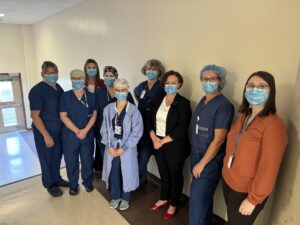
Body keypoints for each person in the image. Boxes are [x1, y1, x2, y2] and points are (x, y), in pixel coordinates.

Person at [222, 71, 288, 225]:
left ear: (271, 92)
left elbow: (269, 166)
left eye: (262, 86)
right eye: (251, 86)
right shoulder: (245, 115)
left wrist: (253, 199)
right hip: (228, 181)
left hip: (246, 192)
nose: (255, 89)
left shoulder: (273, 124)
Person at [189, 64, 234, 225]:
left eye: (212, 78)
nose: (208, 81)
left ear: (220, 81)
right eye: (205, 78)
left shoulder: (224, 105)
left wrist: (202, 163)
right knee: (203, 202)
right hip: (197, 156)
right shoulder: (203, 100)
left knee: (197, 202)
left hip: (209, 161)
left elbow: (219, 140)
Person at [148, 70, 191, 220]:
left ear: (179, 84)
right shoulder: (158, 100)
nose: (170, 85)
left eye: (174, 83)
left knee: (175, 175)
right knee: (164, 173)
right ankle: (164, 197)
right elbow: (149, 120)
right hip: (157, 143)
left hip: (174, 145)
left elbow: (182, 127)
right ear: (164, 84)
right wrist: (154, 138)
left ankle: (173, 203)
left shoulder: (184, 103)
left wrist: (162, 141)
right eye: (168, 83)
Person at [101, 78, 143, 211]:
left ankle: (125, 198)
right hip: (112, 147)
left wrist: (124, 148)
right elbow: (104, 129)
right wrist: (109, 146)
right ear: (114, 90)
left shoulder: (133, 111)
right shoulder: (108, 109)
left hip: (127, 148)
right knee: (114, 171)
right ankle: (115, 196)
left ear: (127, 90)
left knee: (127, 172)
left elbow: (137, 131)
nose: (120, 92)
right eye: (117, 90)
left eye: (123, 90)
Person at [29, 61, 69, 197]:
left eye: (55, 72)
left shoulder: (58, 87)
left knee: (57, 156)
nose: (53, 75)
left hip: (58, 131)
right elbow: (34, 116)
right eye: (49, 73)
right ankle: (49, 184)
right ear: (42, 74)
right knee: (46, 158)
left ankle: (57, 179)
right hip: (44, 131)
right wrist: (46, 135)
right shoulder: (36, 91)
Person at [59, 69, 97, 195]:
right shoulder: (65, 96)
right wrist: (77, 131)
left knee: (87, 161)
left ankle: (88, 182)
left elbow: (94, 115)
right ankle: (73, 185)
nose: (77, 80)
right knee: (71, 161)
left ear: (84, 79)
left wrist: (85, 130)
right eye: (74, 78)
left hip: (87, 135)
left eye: (79, 78)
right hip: (70, 135)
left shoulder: (91, 96)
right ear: (71, 79)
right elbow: (63, 116)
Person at [134, 59, 165, 186]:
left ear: (159, 71)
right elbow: (138, 97)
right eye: (148, 69)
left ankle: (139, 180)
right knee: (138, 154)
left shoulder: (162, 87)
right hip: (140, 124)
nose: (150, 71)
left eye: (153, 69)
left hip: (153, 126)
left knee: (144, 156)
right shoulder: (141, 86)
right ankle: (140, 178)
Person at [95, 66, 135, 163]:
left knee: (121, 158)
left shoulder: (125, 93)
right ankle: (110, 177)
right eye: (106, 75)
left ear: (116, 77)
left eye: (111, 75)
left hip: (122, 133)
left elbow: (132, 112)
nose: (108, 78)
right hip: (104, 132)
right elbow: (95, 112)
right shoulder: (99, 93)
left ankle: (120, 177)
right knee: (107, 157)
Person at [83, 58, 104, 175]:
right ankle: (88, 168)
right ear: (85, 69)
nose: (91, 70)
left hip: (101, 118)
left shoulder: (101, 83)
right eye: (89, 68)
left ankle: (99, 167)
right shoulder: (82, 84)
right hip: (88, 118)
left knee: (101, 143)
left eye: (93, 67)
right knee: (88, 145)